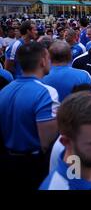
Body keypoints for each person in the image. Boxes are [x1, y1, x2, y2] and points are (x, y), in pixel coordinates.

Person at [0, 42, 59, 190]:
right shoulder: (47, 92)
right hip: (34, 166)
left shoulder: (5, 90)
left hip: (7, 164)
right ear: (43, 61)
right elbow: (48, 143)